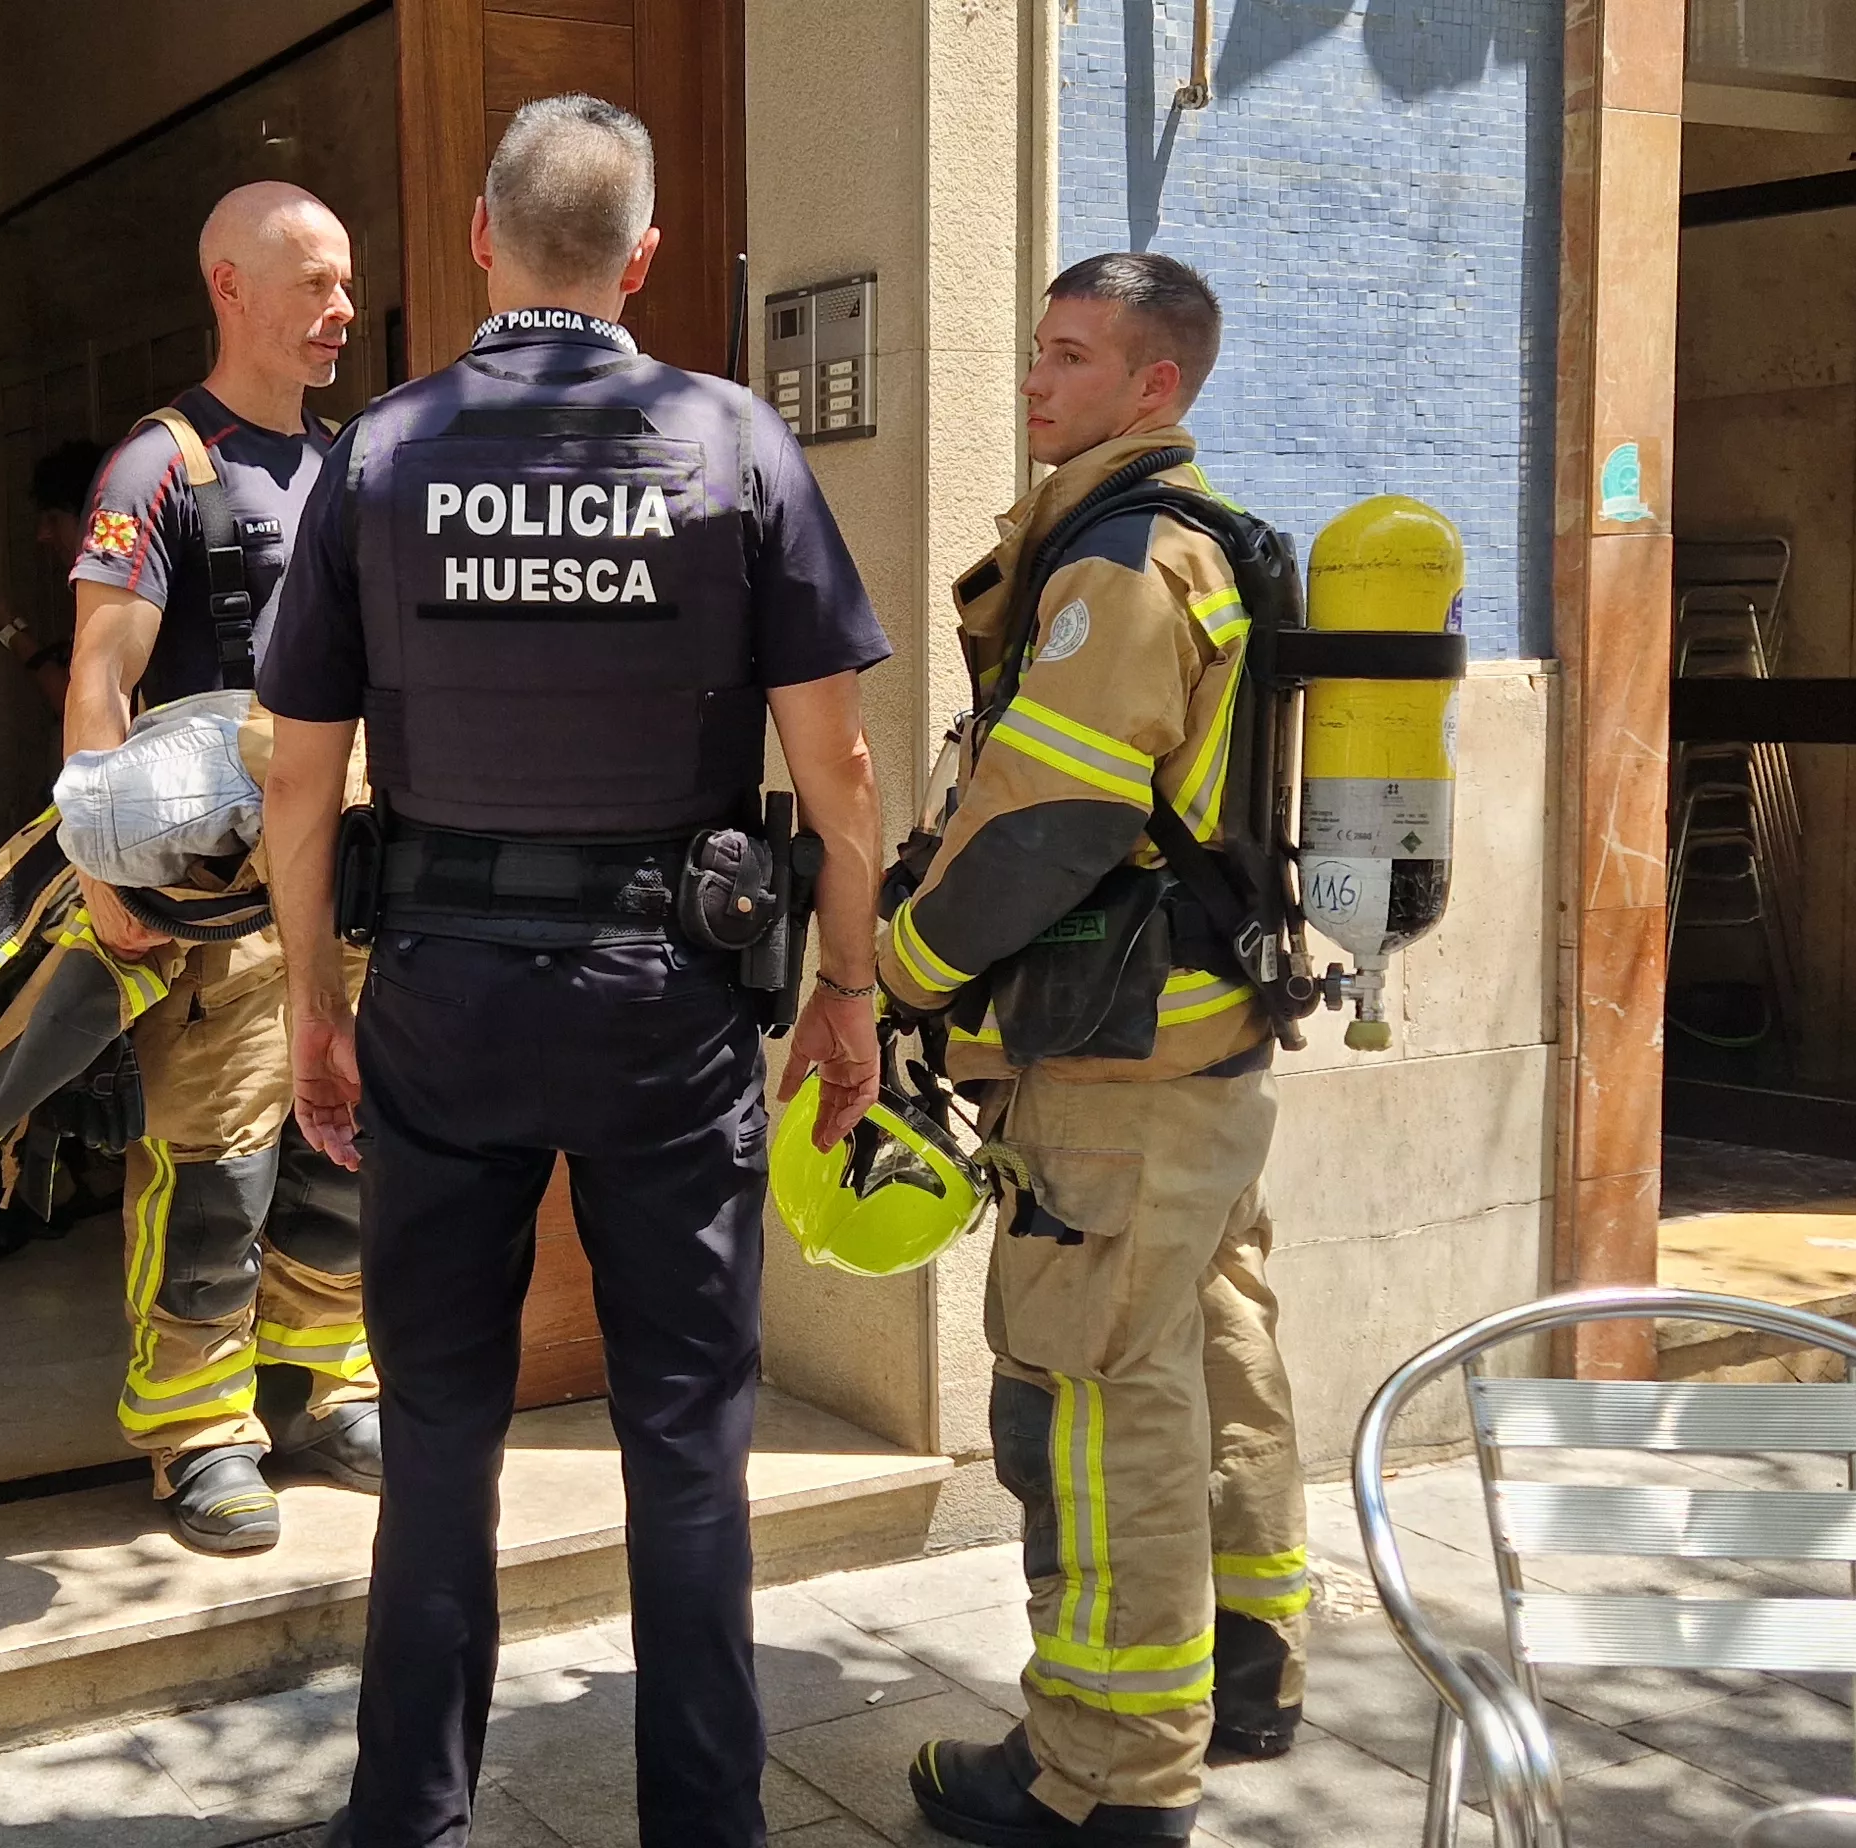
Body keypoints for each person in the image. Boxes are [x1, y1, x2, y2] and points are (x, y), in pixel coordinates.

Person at [255, 94, 892, 1848]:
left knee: (441, 1435)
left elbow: (297, 771)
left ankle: (407, 1819)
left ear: (478, 237)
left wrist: (318, 997)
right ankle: (707, 1824)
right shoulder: (735, 441)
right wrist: (848, 985)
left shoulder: (376, 457)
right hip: (667, 1013)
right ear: (647, 258)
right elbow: (839, 771)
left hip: (446, 1005)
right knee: (687, 1439)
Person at [885, 251, 1311, 1847]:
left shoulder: (1121, 565)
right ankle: (1254, 1660)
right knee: (1214, 1347)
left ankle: (1106, 1774)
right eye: (1038, 352)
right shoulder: (1215, 546)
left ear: (1158, 388)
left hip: (1117, 1073)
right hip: (1208, 1049)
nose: (1033, 381)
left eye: (1071, 358)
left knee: (1092, 1398)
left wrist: (906, 964)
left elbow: (1045, 821)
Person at [22, 179, 376, 1553]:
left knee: (347, 1145)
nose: (340, 310)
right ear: (229, 286)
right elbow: (97, 679)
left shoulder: (351, 464)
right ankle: (198, 1429)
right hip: (217, 896)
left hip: (347, 875)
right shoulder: (156, 469)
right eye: (313, 283)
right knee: (215, 1162)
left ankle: (331, 1379)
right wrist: (106, 873)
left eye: (345, 284)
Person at [0, 438, 108, 699]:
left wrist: (7, 628)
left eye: (53, 520)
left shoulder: (119, 595)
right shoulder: (97, 588)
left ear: (92, 516)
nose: (42, 535)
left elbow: (72, 700)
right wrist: (5, 625)